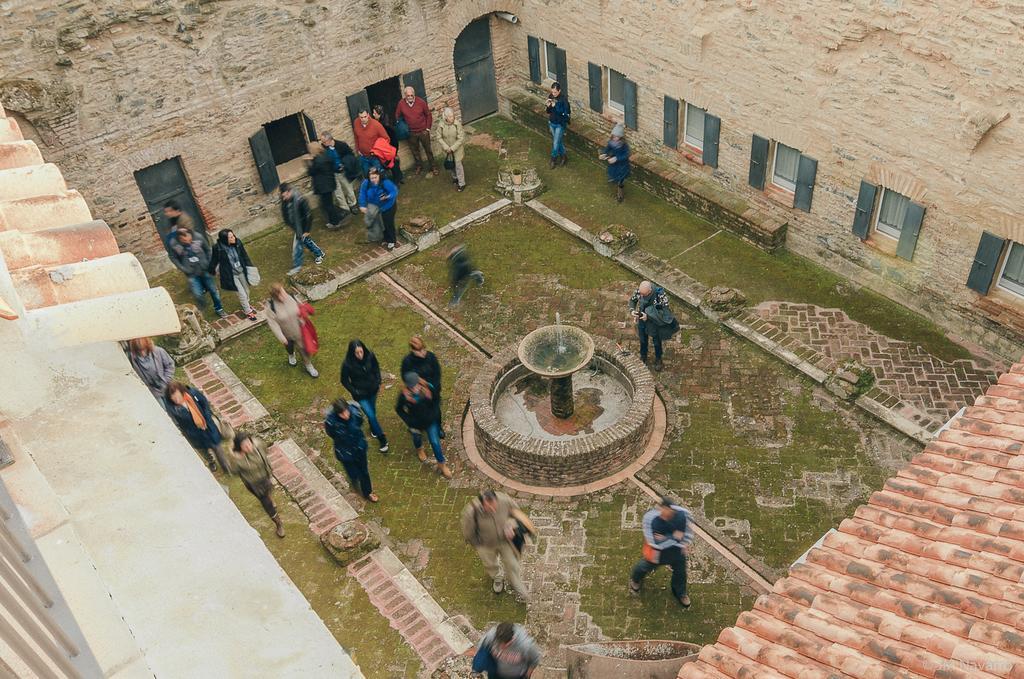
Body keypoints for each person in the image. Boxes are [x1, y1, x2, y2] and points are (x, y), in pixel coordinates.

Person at [460, 490, 532, 600]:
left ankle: (515, 582)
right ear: (482, 505)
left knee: (512, 564)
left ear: (496, 500)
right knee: (490, 564)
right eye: (489, 508)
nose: (493, 510)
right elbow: (468, 532)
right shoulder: (471, 512)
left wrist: (511, 525)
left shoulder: (504, 500)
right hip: (485, 544)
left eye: (495, 507)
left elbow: (516, 513)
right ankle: (497, 577)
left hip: (505, 541)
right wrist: (479, 545)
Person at [629, 496, 693, 608]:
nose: (664, 515)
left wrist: (681, 542)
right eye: (662, 511)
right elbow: (654, 542)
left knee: (680, 573)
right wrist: (673, 536)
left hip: (677, 551)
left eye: (667, 513)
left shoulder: (683, 514)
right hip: (658, 552)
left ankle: (680, 593)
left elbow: (687, 532)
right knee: (644, 567)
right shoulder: (650, 518)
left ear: (671, 509)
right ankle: (635, 579)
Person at [224, 432, 285, 537]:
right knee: (267, 504)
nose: (248, 446)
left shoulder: (258, 446)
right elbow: (233, 472)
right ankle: (278, 523)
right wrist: (233, 457)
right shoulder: (238, 460)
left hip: (266, 476)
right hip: (255, 485)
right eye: (244, 445)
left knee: (269, 490)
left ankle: (270, 497)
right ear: (240, 448)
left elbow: (265, 449)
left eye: (249, 443)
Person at [394, 372, 451, 478]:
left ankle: (442, 464)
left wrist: (433, 414)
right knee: (416, 438)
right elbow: (399, 409)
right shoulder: (404, 396)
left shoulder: (428, 388)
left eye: (416, 385)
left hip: (430, 421)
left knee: (434, 442)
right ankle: (419, 449)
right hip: (415, 423)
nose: (415, 388)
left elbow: (436, 400)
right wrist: (409, 421)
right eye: (412, 387)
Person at [324, 399, 378, 502]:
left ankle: (368, 492)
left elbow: (360, 423)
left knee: (364, 471)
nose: (346, 415)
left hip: (359, 447)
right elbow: (331, 434)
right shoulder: (331, 422)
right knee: (352, 471)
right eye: (342, 413)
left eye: (346, 411)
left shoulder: (356, 414)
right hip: (344, 451)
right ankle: (354, 480)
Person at [340, 339, 389, 453]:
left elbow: (376, 368)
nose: (360, 355)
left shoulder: (370, 355)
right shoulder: (347, 364)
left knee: (372, 411)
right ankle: (383, 440)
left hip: (373, 390)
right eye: (357, 353)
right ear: (352, 353)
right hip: (361, 395)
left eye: (361, 351)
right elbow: (344, 380)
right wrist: (354, 391)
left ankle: (373, 428)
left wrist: (378, 381)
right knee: (371, 415)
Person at [167, 226, 226, 318]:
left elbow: (208, 250)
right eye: (184, 240)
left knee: (214, 291)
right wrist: (182, 268)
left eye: (189, 239)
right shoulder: (174, 244)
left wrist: (210, 264)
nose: (188, 242)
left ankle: (219, 309)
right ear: (180, 239)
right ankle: (202, 306)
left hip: (204, 269)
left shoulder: (198, 237)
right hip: (191, 273)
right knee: (198, 294)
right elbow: (173, 257)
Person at [165, 380, 223, 471]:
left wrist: (207, 418)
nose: (176, 399)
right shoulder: (173, 409)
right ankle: (211, 462)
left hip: (207, 426)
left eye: (177, 396)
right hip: (193, 433)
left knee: (216, 445)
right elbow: (175, 422)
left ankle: (224, 464)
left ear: (181, 392)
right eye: (173, 398)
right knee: (203, 450)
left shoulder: (192, 394)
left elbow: (204, 404)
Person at [265, 282, 319, 378]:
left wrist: (304, 317)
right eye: (281, 294)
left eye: (284, 291)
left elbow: (301, 306)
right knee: (289, 347)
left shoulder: (291, 296)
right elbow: (273, 324)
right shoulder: (271, 307)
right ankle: (291, 354)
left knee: (304, 350)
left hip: (299, 331)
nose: (285, 295)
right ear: (276, 296)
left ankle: (308, 365)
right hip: (286, 335)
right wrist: (282, 338)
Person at [627, 280, 679, 372]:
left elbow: (665, 312)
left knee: (656, 342)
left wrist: (649, 316)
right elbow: (633, 300)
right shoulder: (640, 291)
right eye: (641, 294)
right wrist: (632, 311)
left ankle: (658, 359)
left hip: (655, 323)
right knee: (642, 339)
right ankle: (643, 356)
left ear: (650, 291)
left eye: (644, 295)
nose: (641, 296)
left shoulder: (660, 295)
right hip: (642, 319)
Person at [210, 229, 258, 321]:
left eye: (233, 235)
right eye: (230, 237)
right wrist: (212, 271)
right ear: (224, 239)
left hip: (241, 270)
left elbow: (244, 255)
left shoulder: (238, 242)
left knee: (247, 290)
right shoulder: (217, 248)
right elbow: (214, 260)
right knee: (242, 294)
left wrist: (250, 267)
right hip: (231, 275)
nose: (233, 238)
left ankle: (246, 304)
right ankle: (248, 311)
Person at [401, 335, 444, 437]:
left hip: (433, 390)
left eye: (423, 349)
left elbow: (437, 373)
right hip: (418, 392)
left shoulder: (431, 357)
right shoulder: (407, 362)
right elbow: (405, 376)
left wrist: (433, 388)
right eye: (419, 351)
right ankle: (420, 426)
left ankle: (438, 427)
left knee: (436, 411)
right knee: (419, 411)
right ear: (413, 350)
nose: (423, 352)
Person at [280, 182, 325, 276]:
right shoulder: (285, 200)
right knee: (306, 241)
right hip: (296, 226)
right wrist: (289, 223)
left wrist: (306, 230)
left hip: (302, 227)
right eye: (282, 196)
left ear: (289, 192)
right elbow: (286, 212)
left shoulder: (300, 200)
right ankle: (319, 253)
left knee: (297, 247)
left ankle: (297, 266)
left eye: (285, 196)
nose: (284, 199)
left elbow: (309, 215)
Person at [472, 622, 542, 679]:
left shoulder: (526, 645)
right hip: (495, 673)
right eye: (499, 643)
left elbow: (534, 660)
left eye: (506, 644)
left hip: (515, 676)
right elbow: (481, 649)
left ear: (513, 638)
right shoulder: (490, 637)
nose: (502, 647)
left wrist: (527, 675)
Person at [394, 86, 435, 175]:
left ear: (414, 95)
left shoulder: (421, 102)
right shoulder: (401, 104)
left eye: (412, 95)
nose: (410, 97)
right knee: (415, 151)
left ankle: (433, 167)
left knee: (428, 150)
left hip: (423, 131)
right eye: (408, 96)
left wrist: (427, 128)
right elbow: (397, 115)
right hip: (411, 133)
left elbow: (428, 115)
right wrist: (402, 126)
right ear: (405, 96)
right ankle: (419, 166)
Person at [307, 142, 346, 229]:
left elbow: (311, 172)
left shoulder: (318, 160)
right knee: (327, 204)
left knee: (328, 205)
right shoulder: (325, 156)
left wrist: (309, 162)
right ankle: (334, 220)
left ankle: (338, 219)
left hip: (324, 186)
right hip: (329, 183)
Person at [358, 167, 399, 250]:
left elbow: (394, 191)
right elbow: (362, 193)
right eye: (371, 178)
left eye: (375, 177)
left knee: (388, 223)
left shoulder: (385, 182)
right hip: (376, 207)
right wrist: (362, 205)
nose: (373, 180)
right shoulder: (366, 183)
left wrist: (388, 196)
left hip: (388, 206)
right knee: (380, 223)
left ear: (379, 176)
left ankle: (392, 240)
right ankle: (385, 238)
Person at [320, 131, 360, 215]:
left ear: (329, 139)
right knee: (338, 192)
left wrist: (344, 164)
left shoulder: (341, 145)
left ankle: (353, 204)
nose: (322, 143)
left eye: (324, 141)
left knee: (348, 189)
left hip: (343, 172)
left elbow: (350, 155)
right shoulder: (323, 148)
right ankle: (344, 208)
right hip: (332, 173)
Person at [127, 337, 175, 404]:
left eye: (144, 349)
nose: (142, 353)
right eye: (139, 351)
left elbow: (170, 365)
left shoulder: (159, 351)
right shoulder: (132, 359)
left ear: (147, 346)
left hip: (166, 386)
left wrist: (166, 379)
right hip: (152, 392)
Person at [434, 106, 466, 192]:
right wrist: (446, 147)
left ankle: (462, 183)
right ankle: (455, 178)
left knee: (458, 166)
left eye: (453, 116)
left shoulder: (457, 124)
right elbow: (439, 137)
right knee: (451, 165)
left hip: (457, 150)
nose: (452, 118)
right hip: (447, 151)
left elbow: (461, 138)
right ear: (446, 117)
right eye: (450, 116)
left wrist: (452, 148)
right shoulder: (441, 125)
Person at [352, 108, 390, 176]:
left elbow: (386, 139)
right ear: (358, 116)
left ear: (368, 115)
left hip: (374, 157)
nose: (363, 119)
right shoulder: (356, 122)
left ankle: (385, 185)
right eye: (361, 117)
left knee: (380, 175)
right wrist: (357, 149)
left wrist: (378, 151)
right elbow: (356, 136)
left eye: (365, 116)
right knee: (367, 175)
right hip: (363, 156)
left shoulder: (376, 125)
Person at [599, 123, 631, 203]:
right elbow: (607, 149)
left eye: (617, 137)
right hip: (614, 165)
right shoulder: (611, 142)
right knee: (613, 174)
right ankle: (614, 180)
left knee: (620, 180)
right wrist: (603, 154)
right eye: (614, 136)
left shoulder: (624, 145)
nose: (615, 138)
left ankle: (620, 195)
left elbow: (626, 155)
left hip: (622, 165)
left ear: (621, 137)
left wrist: (617, 158)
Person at [372, 105, 404, 184]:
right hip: (389, 147)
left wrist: (393, 149)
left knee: (393, 164)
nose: (373, 114)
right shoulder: (382, 121)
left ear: (379, 114)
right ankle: (399, 178)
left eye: (374, 113)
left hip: (390, 147)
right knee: (393, 163)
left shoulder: (385, 125)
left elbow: (392, 136)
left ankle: (398, 179)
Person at [545, 81, 571, 168]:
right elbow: (548, 111)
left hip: (560, 124)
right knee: (558, 141)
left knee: (555, 143)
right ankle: (564, 157)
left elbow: (565, 112)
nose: (553, 94)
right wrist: (548, 106)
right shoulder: (551, 96)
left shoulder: (564, 100)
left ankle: (553, 159)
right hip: (552, 123)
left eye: (555, 92)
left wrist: (555, 105)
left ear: (559, 91)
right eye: (552, 92)